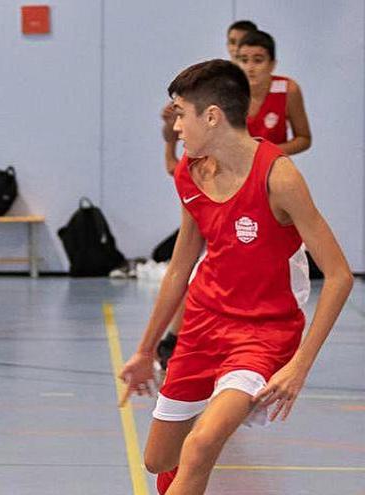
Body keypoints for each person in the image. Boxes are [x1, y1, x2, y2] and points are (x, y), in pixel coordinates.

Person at [120, 60, 352, 495]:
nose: (176, 130)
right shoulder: (190, 173)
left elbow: (339, 275)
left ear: (211, 115)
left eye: (180, 115)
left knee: (203, 442)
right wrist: (144, 349)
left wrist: (300, 365)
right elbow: (179, 268)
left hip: (263, 335)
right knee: (159, 460)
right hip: (203, 326)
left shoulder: (279, 178)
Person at [155, 23, 315, 370]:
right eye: (241, 57)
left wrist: (266, 155)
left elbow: (304, 137)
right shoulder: (212, 104)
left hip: (263, 195)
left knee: (248, 276)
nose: (250, 66)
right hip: (222, 191)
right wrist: (171, 138)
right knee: (197, 265)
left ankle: (266, 350)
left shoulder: (286, 92)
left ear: (272, 63)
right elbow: (177, 138)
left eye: (258, 59)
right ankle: (173, 337)